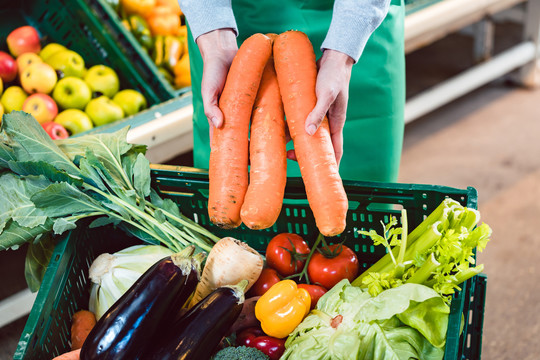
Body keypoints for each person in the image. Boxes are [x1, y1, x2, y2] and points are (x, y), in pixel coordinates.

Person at [179, 0, 405, 182]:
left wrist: (343, 53)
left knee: (361, 205)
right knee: (230, 188)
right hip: (226, 30)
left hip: (360, 21)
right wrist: (215, 40)